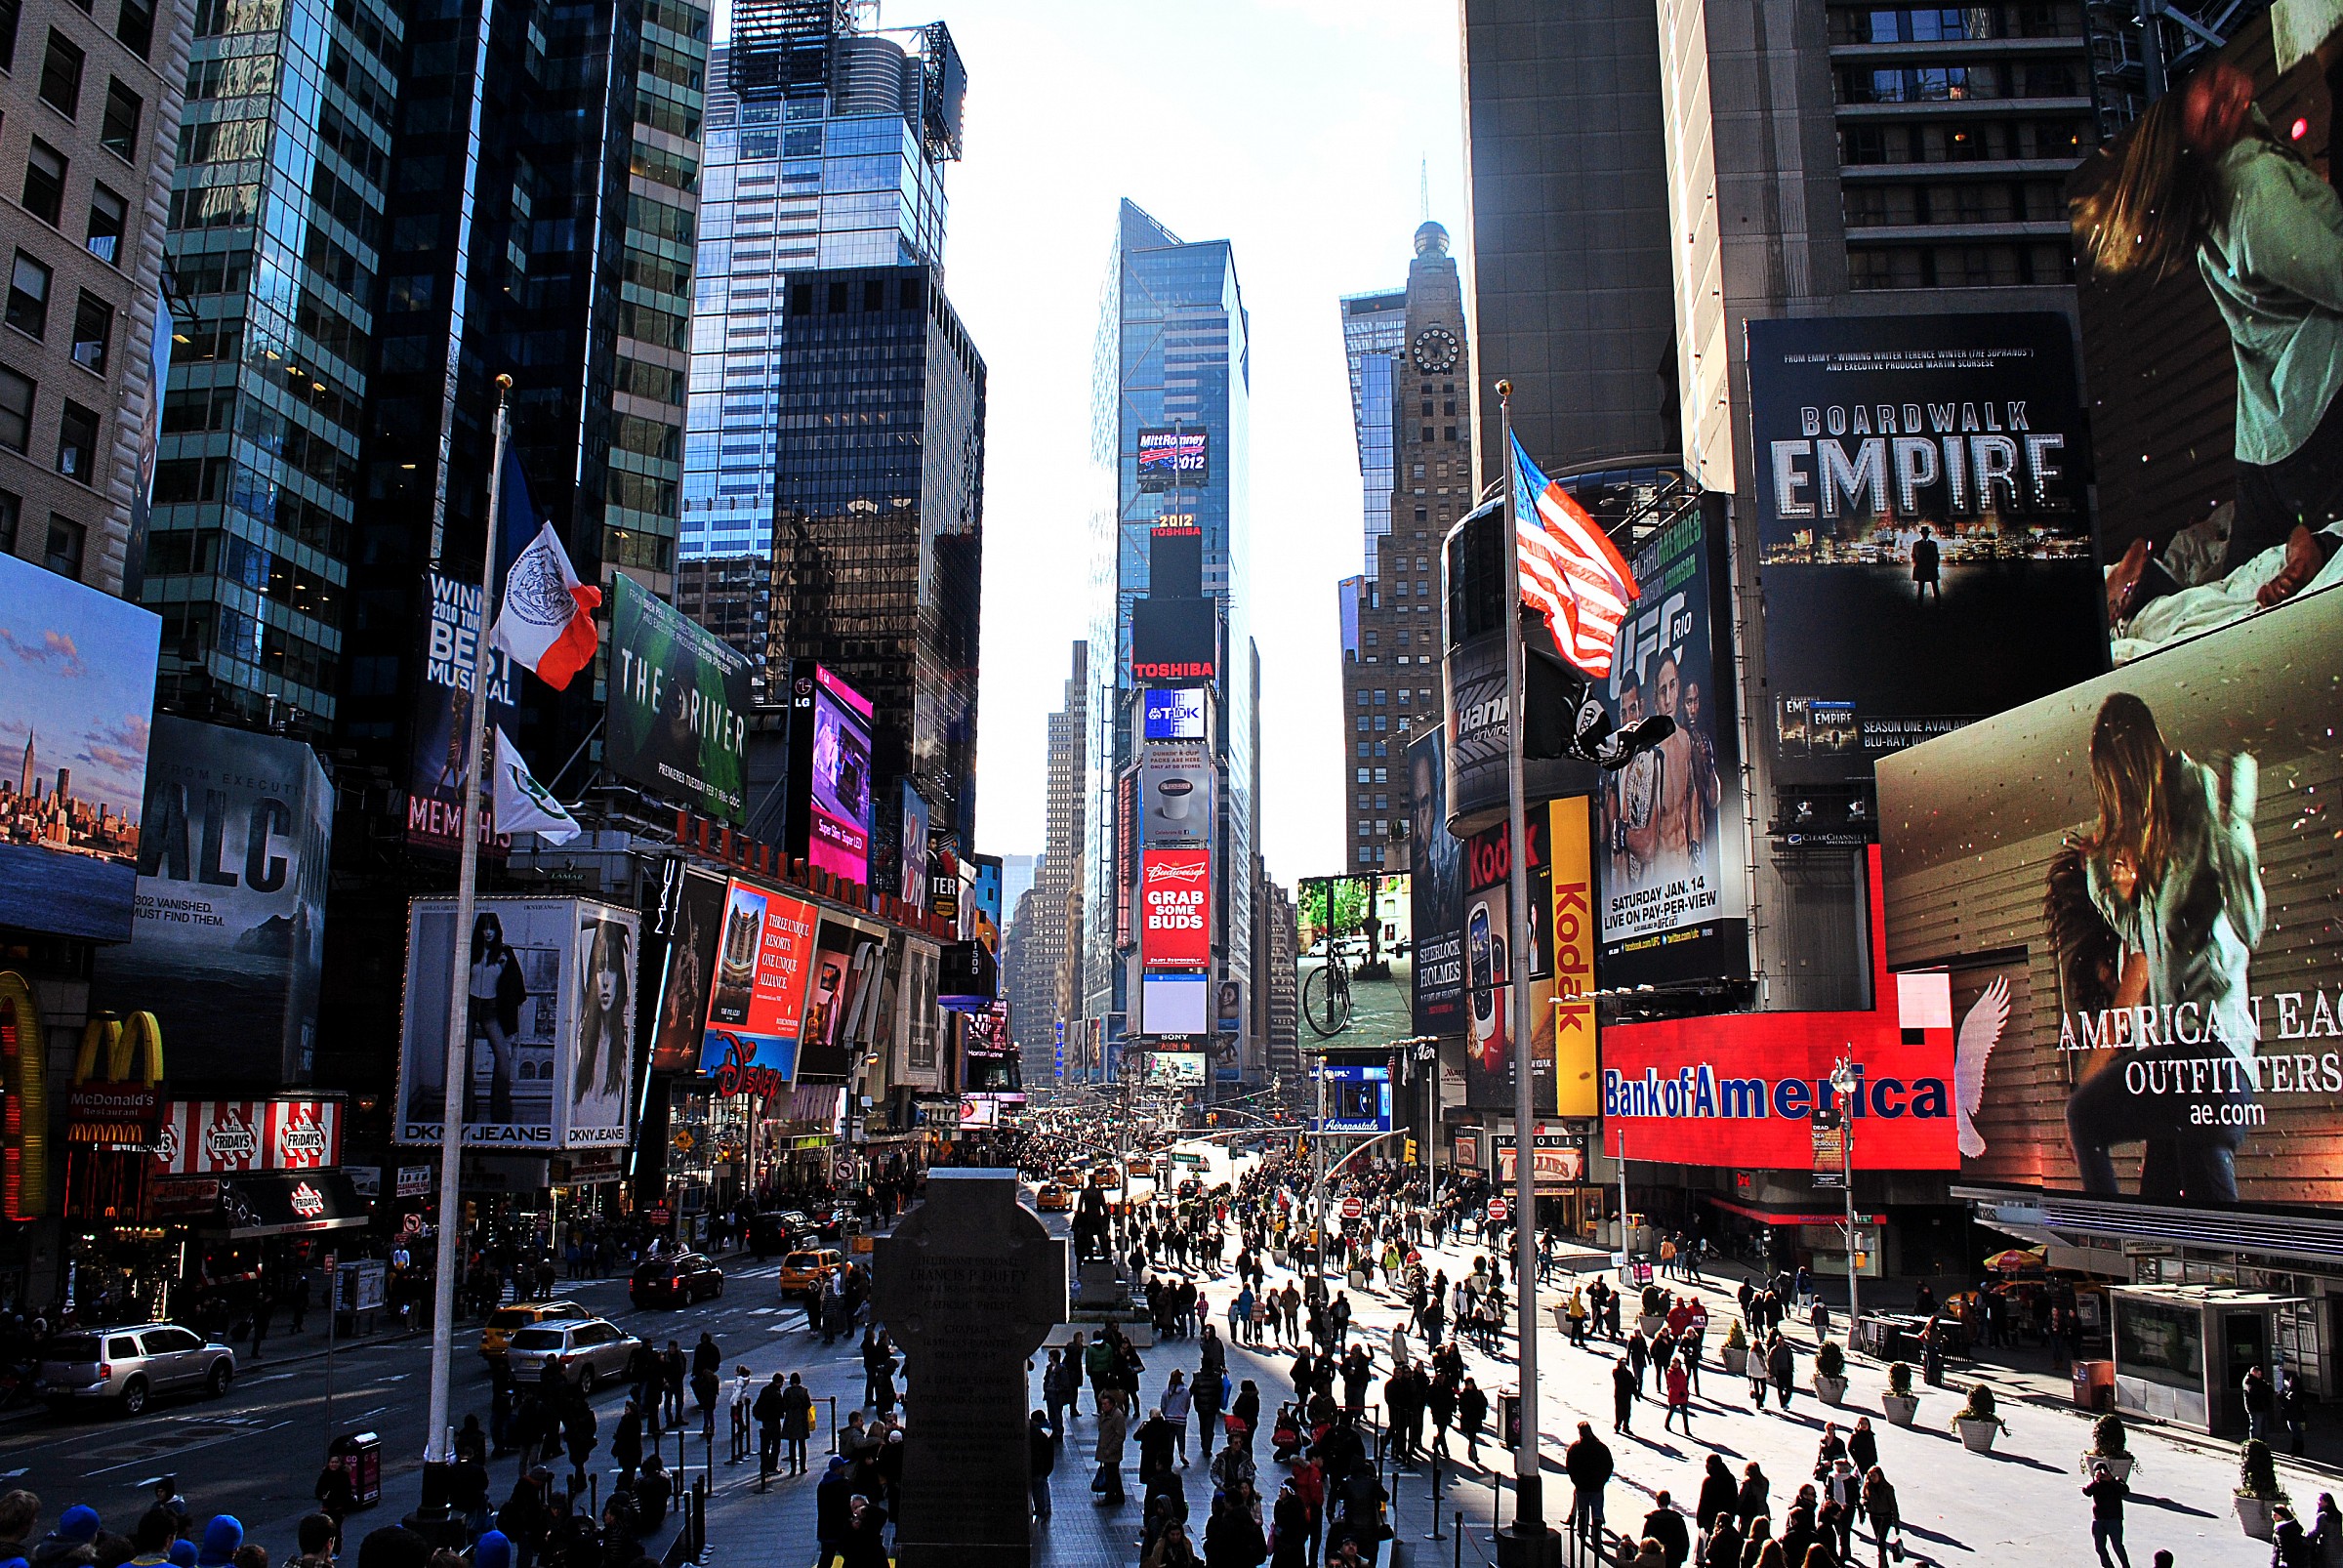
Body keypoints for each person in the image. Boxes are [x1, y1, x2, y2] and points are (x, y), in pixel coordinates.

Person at [2053, 691, 2266, 1203]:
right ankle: (2146, 1261)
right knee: (2163, 1199)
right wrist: (2100, 873)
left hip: (2214, 1056)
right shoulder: (2153, 850)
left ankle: (2111, 1240)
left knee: (2087, 1116)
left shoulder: (2200, 805)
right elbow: (2136, 931)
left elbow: (2251, 924)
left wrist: (2236, 823)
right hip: (2179, 1061)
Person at [1564, 1421, 1612, 1548]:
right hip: (1597, 1486)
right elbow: (1609, 1466)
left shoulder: (1575, 1448)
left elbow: (1569, 1466)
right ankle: (1597, 1539)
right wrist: (1602, 1481)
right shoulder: (1601, 1448)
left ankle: (1582, 1532)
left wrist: (1576, 1481)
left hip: (1582, 1486)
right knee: (1597, 1512)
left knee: (1582, 1511)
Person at [2084, 1462, 2131, 1568]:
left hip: (2114, 1519)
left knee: (2117, 1546)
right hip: (2098, 1519)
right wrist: (2095, 1481)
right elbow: (2086, 1492)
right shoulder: (2094, 1483)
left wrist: (2111, 1480)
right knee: (2099, 1548)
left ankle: (2126, 1566)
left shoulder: (2116, 1481)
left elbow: (2125, 1491)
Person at [1861, 1467, 1900, 1568]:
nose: (1872, 1478)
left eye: (1874, 1476)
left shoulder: (1888, 1488)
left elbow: (1893, 1505)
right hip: (1874, 1516)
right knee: (1878, 1539)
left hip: (1885, 1517)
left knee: (1880, 1540)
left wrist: (1896, 1523)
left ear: (1880, 1476)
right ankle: (1883, 1562)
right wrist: (1864, 1502)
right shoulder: (1868, 1486)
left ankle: (1882, 1563)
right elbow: (1863, 1497)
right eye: (1871, 1476)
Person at [1641, 1492, 1691, 1568]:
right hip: (1674, 1559)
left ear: (1657, 1501)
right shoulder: (1678, 1519)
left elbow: (1645, 1540)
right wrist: (1682, 1557)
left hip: (1655, 1559)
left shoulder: (1652, 1519)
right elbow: (1684, 1540)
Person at [779, 1372, 813, 1475]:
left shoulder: (787, 1392)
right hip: (802, 1420)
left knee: (792, 1445)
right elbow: (808, 1404)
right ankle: (803, 1467)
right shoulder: (804, 1391)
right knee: (802, 1445)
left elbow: (784, 1407)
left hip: (790, 1421)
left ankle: (793, 1469)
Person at [1029, 1410, 1056, 1523]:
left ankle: (1042, 1510)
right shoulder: (1047, 1430)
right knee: (1043, 1485)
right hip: (1046, 1465)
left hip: (1039, 1466)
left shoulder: (1038, 1433)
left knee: (1039, 1488)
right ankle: (1046, 1508)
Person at [1911, 525, 1941, 604]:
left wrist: (1936, 565)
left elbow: (1937, 555)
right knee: (1921, 587)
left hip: (1931, 567)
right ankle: (1920, 604)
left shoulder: (1933, 544)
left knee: (1935, 587)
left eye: (1926, 533)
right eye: (1924, 533)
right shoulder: (1916, 544)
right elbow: (1913, 555)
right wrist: (1915, 564)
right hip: (1921, 567)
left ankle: (1938, 603)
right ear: (1922, 534)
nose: (1925, 535)